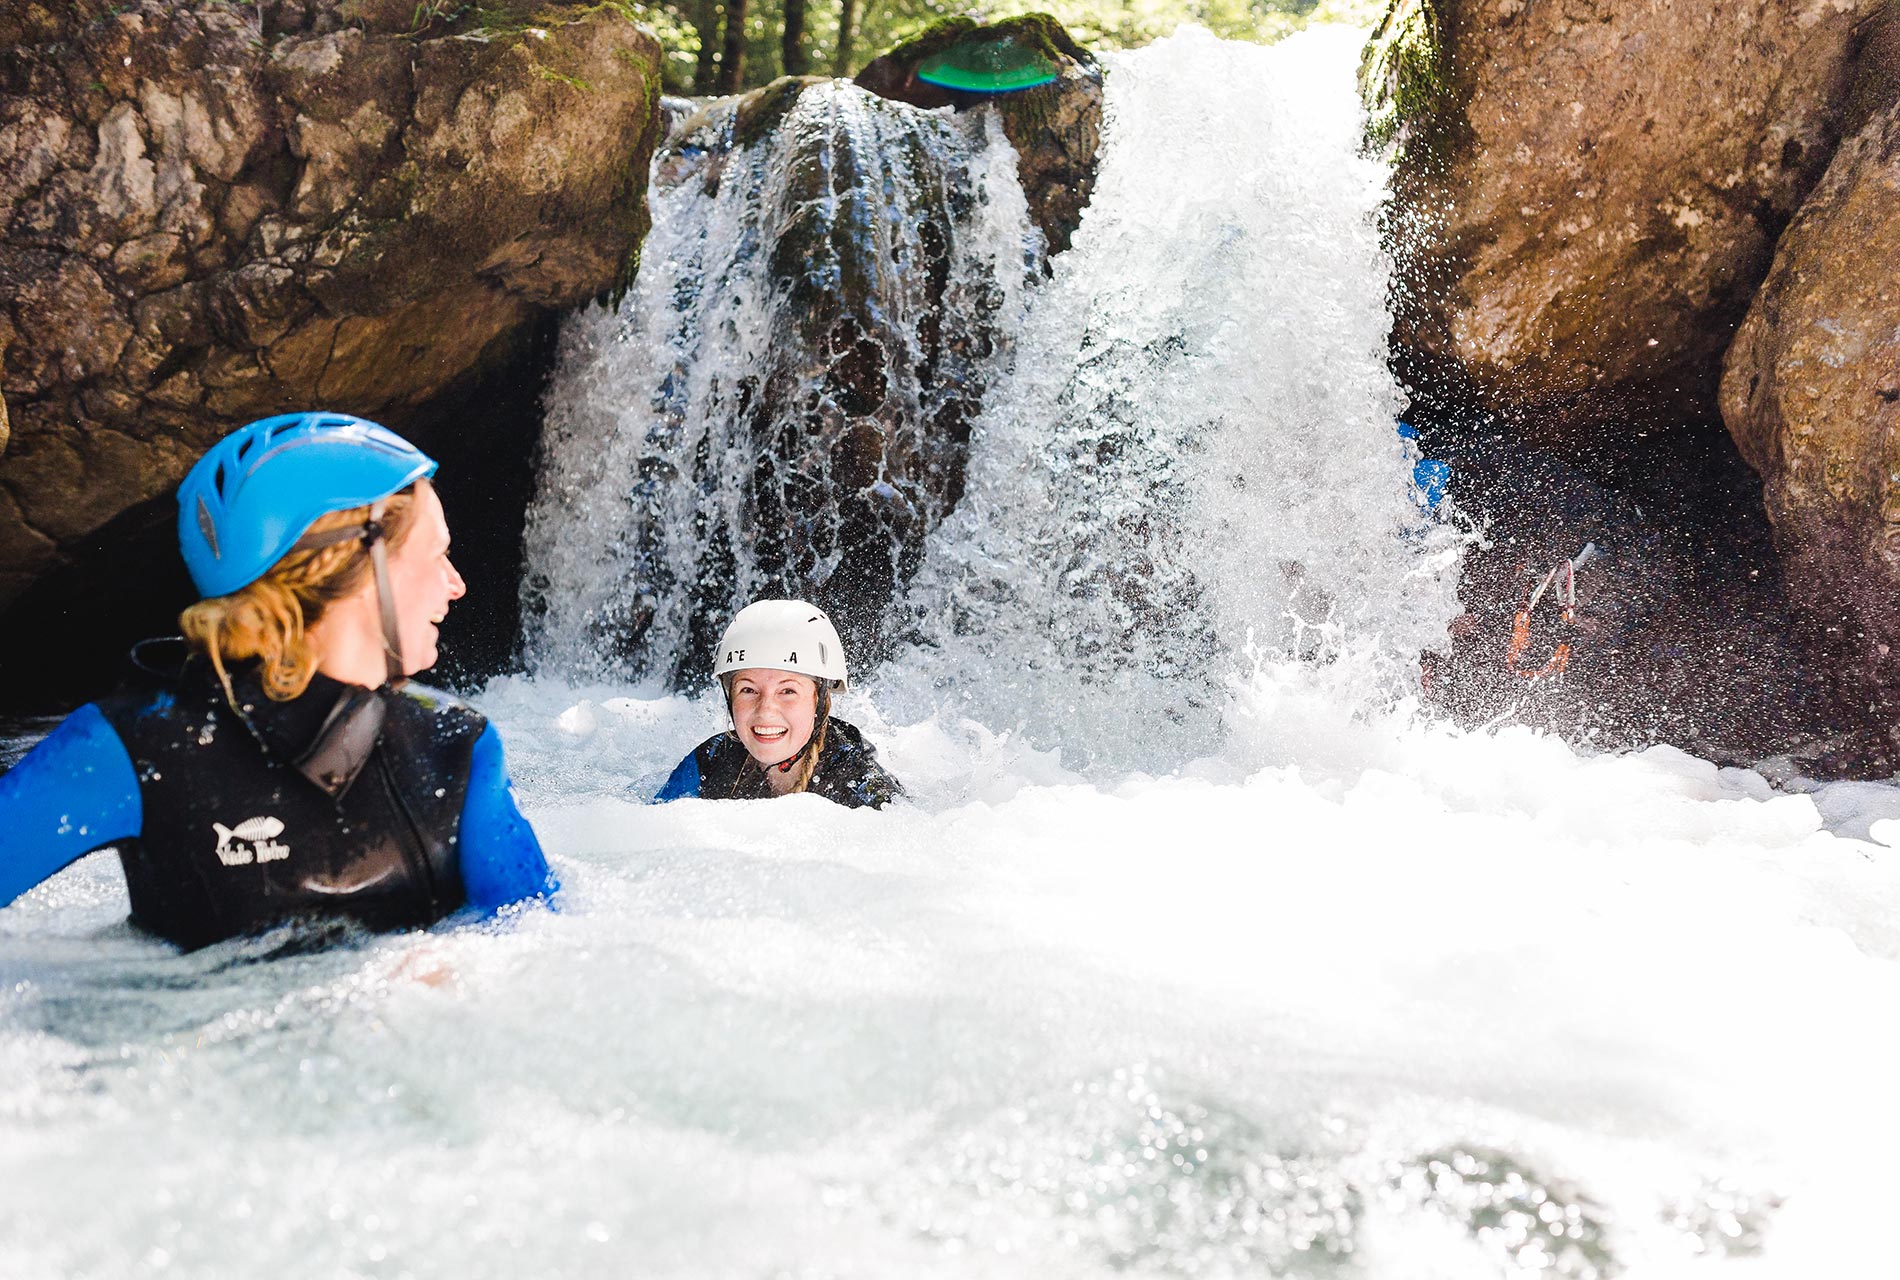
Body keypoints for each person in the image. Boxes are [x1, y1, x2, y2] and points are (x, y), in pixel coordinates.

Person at [0, 412, 555, 951]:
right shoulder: (133, 746)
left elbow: (545, 954)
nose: (455, 585)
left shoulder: (458, 746)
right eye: (437, 554)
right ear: (360, 567)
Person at [655, 599, 903, 808]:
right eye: (748, 689)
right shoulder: (708, 763)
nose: (765, 710)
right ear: (730, 697)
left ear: (820, 700)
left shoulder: (858, 784)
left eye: (787, 690)